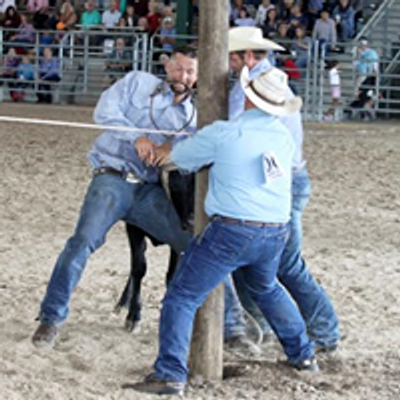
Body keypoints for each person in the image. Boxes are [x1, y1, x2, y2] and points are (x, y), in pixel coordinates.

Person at [30, 46, 255, 355]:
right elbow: (105, 111)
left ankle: (233, 328)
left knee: (202, 247)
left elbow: (201, 148)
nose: (183, 76)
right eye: (178, 69)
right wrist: (138, 137)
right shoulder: (137, 82)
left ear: (198, 76)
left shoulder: (195, 113)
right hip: (113, 177)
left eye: (190, 72)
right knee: (82, 241)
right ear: (167, 65)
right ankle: (51, 317)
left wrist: (172, 150)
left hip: (151, 190)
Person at [132, 66, 317, 397]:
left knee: (182, 296)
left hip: (231, 230)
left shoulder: (225, 133)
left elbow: (183, 160)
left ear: (247, 96)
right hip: (274, 229)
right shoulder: (283, 137)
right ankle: (302, 355)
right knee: (268, 288)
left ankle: (170, 373)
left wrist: (164, 151)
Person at [228, 27, 340, 350]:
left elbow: (235, 129)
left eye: (232, 57)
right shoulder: (260, 81)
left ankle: (325, 330)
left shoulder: (259, 86)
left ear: (247, 56)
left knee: (286, 264)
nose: (228, 64)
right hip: (276, 181)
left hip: (279, 184)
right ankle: (262, 325)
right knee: (253, 262)